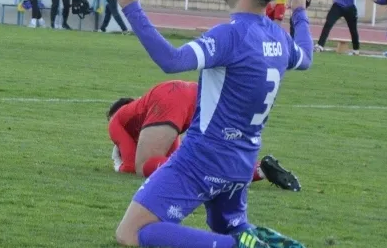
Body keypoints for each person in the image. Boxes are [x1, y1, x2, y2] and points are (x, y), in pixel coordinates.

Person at [112, 0, 314, 248]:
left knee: (130, 233)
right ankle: (249, 235)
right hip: (241, 163)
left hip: (203, 158)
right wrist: (299, 13)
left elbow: (172, 60)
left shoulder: (230, 35)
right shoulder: (277, 36)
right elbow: (306, 56)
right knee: (224, 226)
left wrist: (132, 9)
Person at [107, 80, 302, 190]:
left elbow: (132, 167)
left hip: (169, 97)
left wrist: (118, 163)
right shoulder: (144, 114)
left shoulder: (115, 122)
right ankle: (259, 170)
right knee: (182, 163)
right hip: (193, 91)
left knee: (146, 167)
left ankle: (211, 174)